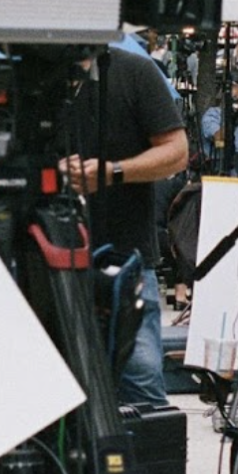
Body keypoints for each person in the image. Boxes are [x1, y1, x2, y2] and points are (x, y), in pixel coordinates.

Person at [60, 45, 188, 408]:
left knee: (141, 377)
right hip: (47, 256)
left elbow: (176, 151)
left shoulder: (134, 71)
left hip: (125, 258)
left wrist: (113, 172)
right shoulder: (33, 75)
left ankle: (149, 463)